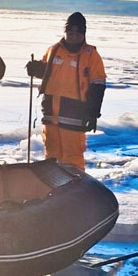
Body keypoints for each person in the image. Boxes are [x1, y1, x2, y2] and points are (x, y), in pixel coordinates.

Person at [25, 12, 106, 170]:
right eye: (70, 32)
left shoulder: (91, 55)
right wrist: (36, 69)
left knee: (72, 158)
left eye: (78, 33)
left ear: (84, 34)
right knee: (51, 156)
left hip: (75, 116)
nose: (74, 36)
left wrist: (93, 113)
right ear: (65, 32)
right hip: (50, 113)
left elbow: (98, 85)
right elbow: (47, 72)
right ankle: (52, 190)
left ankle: (75, 190)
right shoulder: (54, 50)